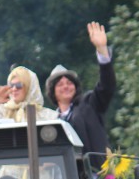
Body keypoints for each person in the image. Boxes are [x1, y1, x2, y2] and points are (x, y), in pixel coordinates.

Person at [45, 22, 116, 161]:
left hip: (96, 176)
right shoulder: (52, 122)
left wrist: (102, 50)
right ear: (53, 92)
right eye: (60, 84)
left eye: (69, 83)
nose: (65, 86)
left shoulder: (89, 104)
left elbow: (107, 86)